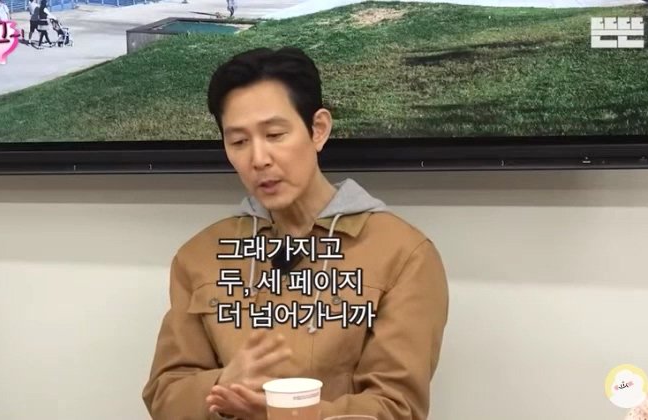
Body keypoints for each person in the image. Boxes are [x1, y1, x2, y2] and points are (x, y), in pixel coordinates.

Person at [141, 47, 449, 420]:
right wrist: (222, 384)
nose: (258, 159)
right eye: (238, 142)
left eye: (275, 134)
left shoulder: (403, 254)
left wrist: (288, 414)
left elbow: (397, 407)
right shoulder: (200, 256)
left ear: (318, 130)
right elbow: (165, 396)